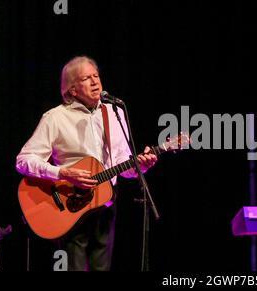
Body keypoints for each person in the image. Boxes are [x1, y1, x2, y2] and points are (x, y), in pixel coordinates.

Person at [16, 55, 158, 271]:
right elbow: (24, 160)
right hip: (68, 206)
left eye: (96, 76)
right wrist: (62, 173)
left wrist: (139, 168)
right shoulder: (55, 118)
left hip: (106, 205)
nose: (95, 81)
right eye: (86, 78)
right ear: (72, 89)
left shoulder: (114, 112)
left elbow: (122, 164)